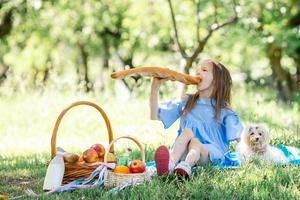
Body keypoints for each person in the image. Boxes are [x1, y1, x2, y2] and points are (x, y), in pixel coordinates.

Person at [150, 59, 243, 178]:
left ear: (217, 80)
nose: (198, 73)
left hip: (211, 155)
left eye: (204, 70)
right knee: (187, 132)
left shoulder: (223, 109)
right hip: (184, 152)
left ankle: (186, 166)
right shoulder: (187, 101)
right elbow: (154, 114)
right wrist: (155, 86)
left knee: (195, 142)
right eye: (197, 71)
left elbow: (242, 139)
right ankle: (170, 163)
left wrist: (259, 150)